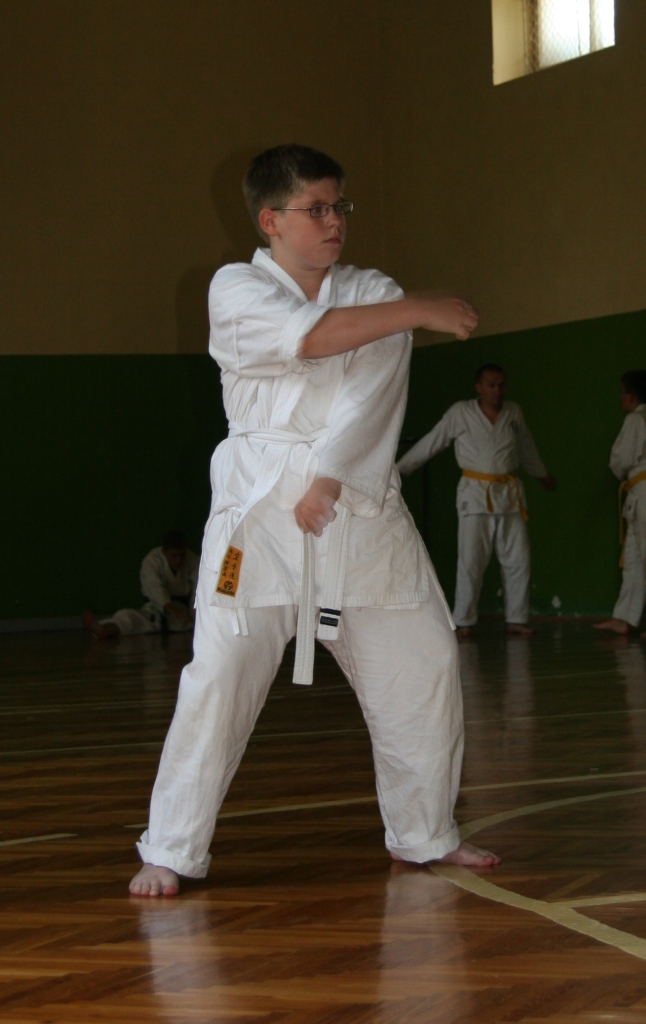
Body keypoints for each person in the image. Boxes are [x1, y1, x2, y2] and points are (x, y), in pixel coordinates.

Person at [129, 144, 499, 898]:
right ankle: (170, 847)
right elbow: (308, 336)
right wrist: (419, 308)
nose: (334, 221)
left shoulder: (372, 291)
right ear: (270, 220)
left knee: (424, 659)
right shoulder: (234, 288)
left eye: (340, 206)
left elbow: (373, 395)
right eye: (317, 209)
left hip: (358, 510)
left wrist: (331, 476)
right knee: (222, 673)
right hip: (259, 515)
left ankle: (425, 832)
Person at [397, 365, 556, 639]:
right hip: (474, 495)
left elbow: (526, 447)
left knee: (518, 560)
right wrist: (399, 469)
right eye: (491, 385)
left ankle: (516, 619)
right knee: (471, 561)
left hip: (509, 496)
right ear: (478, 387)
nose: (497, 391)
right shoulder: (461, 412)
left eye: (501, 385)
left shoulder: (513, 412)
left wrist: (541, 473)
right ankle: (464, 620)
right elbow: (433, 441)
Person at [593, 370, 646, 638]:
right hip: (638, 494)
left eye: (622, 393)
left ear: (630, 395)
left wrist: (620, 470)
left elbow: (621, 460)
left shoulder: (636, 419)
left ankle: (625, 618)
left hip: (643, 491)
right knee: (634, 558)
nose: (621, 398)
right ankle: (624, 617)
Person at [82, 531, 199, 639]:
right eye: (174, 555)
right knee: (128, 616)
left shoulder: (193, 560)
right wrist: (171, 609)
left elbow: (199, 590)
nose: (178, 560)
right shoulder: (152, 560)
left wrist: (194, 613)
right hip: (155, 611)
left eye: (182, 555)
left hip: (185, 616)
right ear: (164, 552)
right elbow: (153, 588)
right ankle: (103, 629)